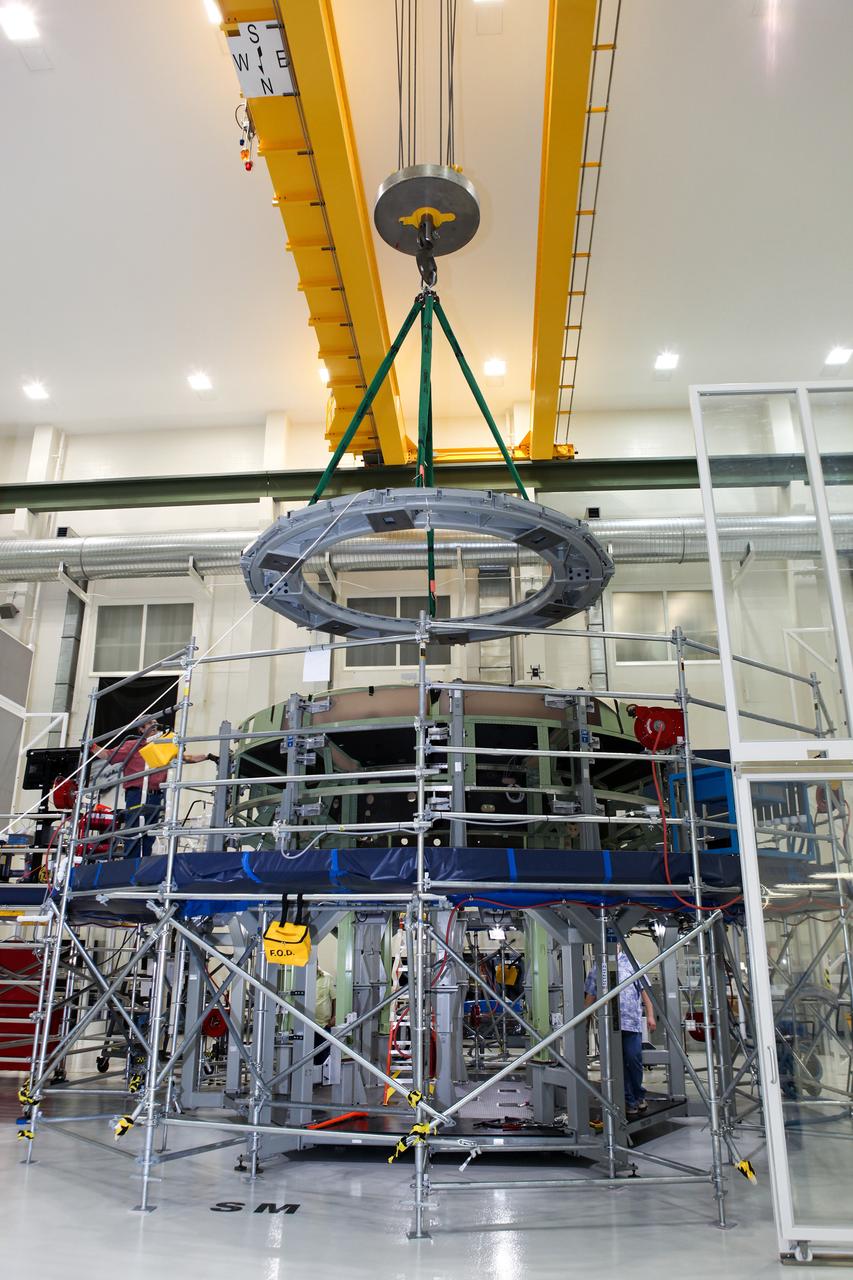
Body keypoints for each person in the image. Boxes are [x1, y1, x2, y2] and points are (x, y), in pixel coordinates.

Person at [91, 717, 214, 857]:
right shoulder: (132, 745)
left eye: (155, 723)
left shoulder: (163, 746)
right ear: (141, 729)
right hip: (136, 795)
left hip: (156, 795)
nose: (154, 725)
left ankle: (144, 867)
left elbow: (186, 758)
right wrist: (92, 747)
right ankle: (132, 868)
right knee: (134, 832)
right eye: (149, 723)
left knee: (149, 835)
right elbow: (108, 755)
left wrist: (208, 756)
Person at [585, 947, 657, 1119]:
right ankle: (629, 1100)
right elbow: (591, 995)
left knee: (634, 1059)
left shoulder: (632, 964)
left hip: (630, 1023)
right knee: (617, 1064)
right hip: (609, 1024)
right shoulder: (598, 967)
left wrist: (650, 1015)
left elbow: (644, 992)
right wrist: (583, 1019)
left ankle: (639, 1094)